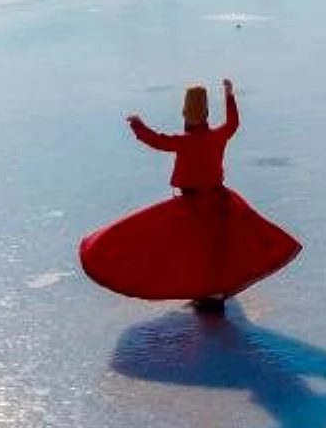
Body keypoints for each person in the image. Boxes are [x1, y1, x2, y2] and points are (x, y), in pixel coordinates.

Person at [79, 79, 301, 314]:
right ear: (206, 114)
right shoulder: (217, 136)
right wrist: (229, 96)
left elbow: (156, 140)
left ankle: (207, 290)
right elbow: (233, 124)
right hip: (218, 203)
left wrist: (136, 124)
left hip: (192, 206)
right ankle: (213, 290)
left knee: (190, 249)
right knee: (216, 248)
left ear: (185, 114)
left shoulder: (184, 142)